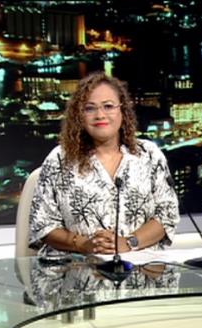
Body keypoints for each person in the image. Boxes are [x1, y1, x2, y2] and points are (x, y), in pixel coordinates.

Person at [28, 71, 179, 257]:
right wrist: (83, 245)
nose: (100, 115)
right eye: (89, 108)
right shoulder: (59, 159)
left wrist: (128, 243)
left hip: (140, 268)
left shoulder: (149, 155)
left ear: (122, 110)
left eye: (108, 106)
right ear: (79, 115)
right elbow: (42, 224)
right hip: (74, 269)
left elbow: (167, 214)